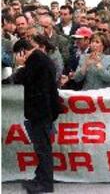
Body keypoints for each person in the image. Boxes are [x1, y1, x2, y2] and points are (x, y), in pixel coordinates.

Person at [12, 39, 62, 193]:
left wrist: (20, 65)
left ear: (22, 52)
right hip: (43, 110)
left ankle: (45, 183)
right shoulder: (40, 58)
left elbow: (21, 78)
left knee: (43, 149)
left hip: (41, 111)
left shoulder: (36, 59)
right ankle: (40, 177)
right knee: (41, 147)